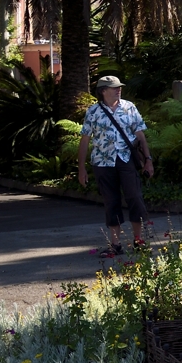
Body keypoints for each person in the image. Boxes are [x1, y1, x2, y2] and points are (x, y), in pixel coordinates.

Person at [77, 75, 154, 257]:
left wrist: (148, 160)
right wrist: (81, 169)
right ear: (103, 91)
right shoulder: (93, 112)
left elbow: (140, 135)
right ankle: (115, 244)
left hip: (126, 159)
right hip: (102, 162)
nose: (118, 89)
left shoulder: (129, 107)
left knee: (135, 198)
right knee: (111, 201)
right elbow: (85, 140)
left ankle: (138, 241)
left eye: (119, 87)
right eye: (114, 87)